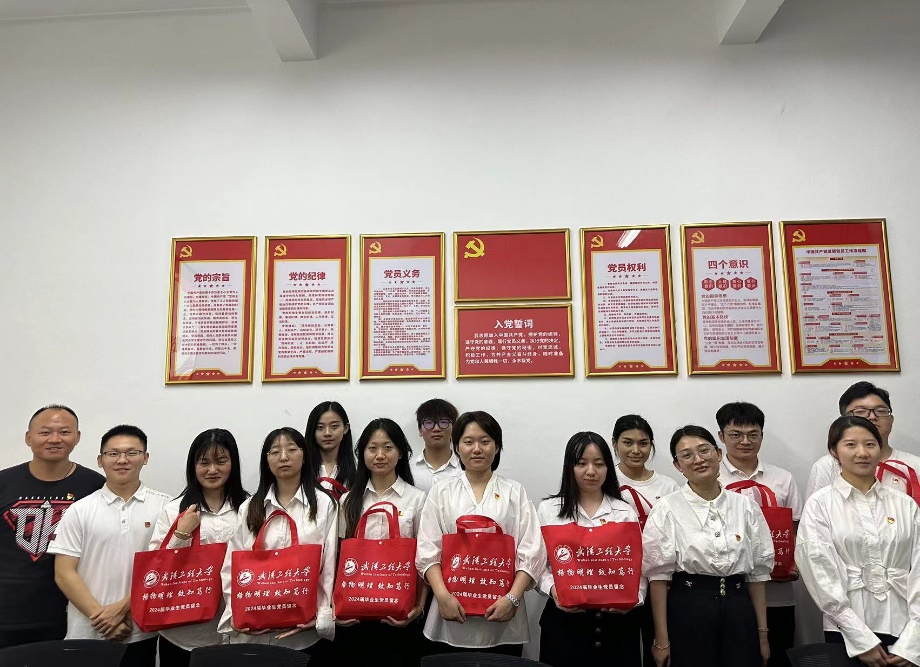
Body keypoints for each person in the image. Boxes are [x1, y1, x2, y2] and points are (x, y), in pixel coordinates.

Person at [415, 410, 545, 656]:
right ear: (457, 447)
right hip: (450, 613)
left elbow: (532, 549)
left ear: (497, 447)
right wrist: (442, 596)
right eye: (468, 441)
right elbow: (427, 549)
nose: (477, 449)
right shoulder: (442, 491)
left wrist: (512, 599)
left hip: (504, 615)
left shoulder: (514, 492)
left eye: (485, 441)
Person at [643, 425, 774, 667]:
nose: (698, 459)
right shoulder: (666, 508)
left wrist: (762, 634)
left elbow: (758, 574)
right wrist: (661, 639)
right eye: (687, 455)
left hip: (739, 606)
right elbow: (658, 577)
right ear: (678, 465)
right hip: (689, 607)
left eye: (704, 450)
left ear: (718, 453)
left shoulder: (745, 506)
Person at [797, 416, 920, 667]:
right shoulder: (820, 504)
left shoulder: (904, 504)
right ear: (834, 451)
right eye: (851, 445)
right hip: (845, 630)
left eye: (870, 444)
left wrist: (913, 639)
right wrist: (860, 638)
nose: (862, 453)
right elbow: (819, 572)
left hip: (905, 627)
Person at [49, 425, 170, 667]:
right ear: (100, 460)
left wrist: (122, 608)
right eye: (113, 454)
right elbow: (64, 573)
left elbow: (168, 569)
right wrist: (104, 620)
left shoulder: (166, 507)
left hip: (141, 631)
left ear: (146, 458)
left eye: (132, 453)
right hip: (86, 631)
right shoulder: (80, 510)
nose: (122, 460)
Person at [218, 427, 337, 659]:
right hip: (253, 634)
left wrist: (320, 616)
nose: (283, 457)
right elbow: (232, 566)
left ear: (304, 456)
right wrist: (236, 614)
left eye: (291, 450)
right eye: (275, 452)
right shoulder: (250, 507)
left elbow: (329, 566)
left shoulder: (324, 504)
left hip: (303, 634)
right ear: (267, 461)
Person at [537, 431, 645, 667]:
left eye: (599, 464)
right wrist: (554, 589)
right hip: (566, 624)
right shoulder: (549, 510)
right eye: (582, 463)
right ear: (570, 467)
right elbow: (538, 565)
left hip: (616, 626)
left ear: (608, 468)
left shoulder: (624, 512)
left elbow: (639, 567)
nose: (591, 471)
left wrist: (634, 599)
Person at [0, 405, 105, 649]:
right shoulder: (3, 482)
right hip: (6, 612)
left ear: (77, 437)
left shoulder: (95, 485)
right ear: (28, 437)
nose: (55, 439)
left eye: (64, 432)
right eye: (45, 432)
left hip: (69, 614)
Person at [148, 428, 249, 667]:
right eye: (204, 463)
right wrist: (182, 532)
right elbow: (156, 568)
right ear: (193, 466)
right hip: (183, 631)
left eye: (221, 461)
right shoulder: (174, 510)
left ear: (233, 464)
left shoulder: (249, 507)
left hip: (236, 629)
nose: (212, 470)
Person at [336, 418, 428, 667]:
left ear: (401, 453)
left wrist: (419, 607)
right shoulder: (347, 501)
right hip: (355, 615)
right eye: (372, 448)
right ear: (361, 453)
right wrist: (336, 606)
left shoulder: (417, 499)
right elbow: (339, 557)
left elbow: (425, 558)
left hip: (400, 614)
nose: (380, 455)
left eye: (388, 447)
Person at [716, 402, 802, 667]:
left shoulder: (782, 478)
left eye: (753, 434)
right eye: (736, 435)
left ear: (762, 436)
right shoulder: (710, 478)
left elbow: (796, 528)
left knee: (777, 657)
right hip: (730, 593)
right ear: (721, 436)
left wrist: (795, 562)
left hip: (777, 594)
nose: (745, 441)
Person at [611, 414, 679, 667]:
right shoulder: (605, 480)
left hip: (660, 581)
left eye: (643, 443)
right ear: (614, 443)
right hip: (619, 578)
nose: (636, 450)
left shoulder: (668, 486)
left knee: (660, 648)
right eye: (627, 442)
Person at [806, 382, 920, 500]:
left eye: (881, 411)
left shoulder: (916, 465)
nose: (872, 417)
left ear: (891, 419)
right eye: (860, 411)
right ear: (844, 420)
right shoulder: (826, 466)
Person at [305, 401, 356, 498]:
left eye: (334, 426)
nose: (327, 433)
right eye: (320, 427)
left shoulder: (356, 473)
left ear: (345, 428)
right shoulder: (301, 470)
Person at [411, 398, 462, 494]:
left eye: (443, 422)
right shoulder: (409, 469)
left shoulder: (465, 469)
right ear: (420, 430)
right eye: (429, 423)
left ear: (454, 429)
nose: (436, 428)